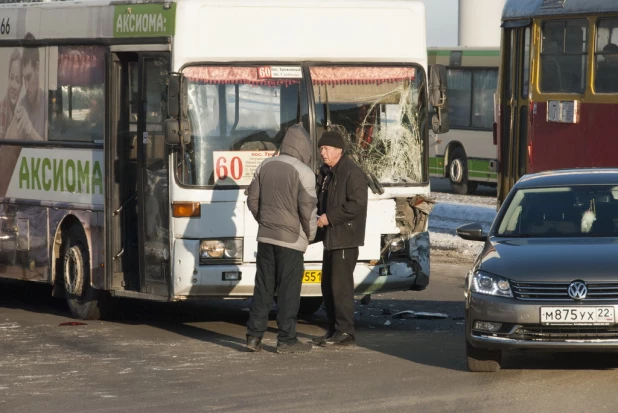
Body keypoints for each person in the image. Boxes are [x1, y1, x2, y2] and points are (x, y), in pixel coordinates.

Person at [245, 124, 317, 354]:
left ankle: (253, 336)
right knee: (288, 290)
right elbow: (308, 211)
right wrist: (311, 235)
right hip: (291, 241)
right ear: (304, 148)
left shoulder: (265, 165)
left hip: (266, 237)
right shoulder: (304, 172)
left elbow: (252, 201)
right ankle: (286, 339)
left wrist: (264, 221)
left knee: (263, 288)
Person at [312, 130, 368, 347]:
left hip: (345, 238)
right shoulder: (328, 173)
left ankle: (345, 331)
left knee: (340, 287)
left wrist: (330, 218)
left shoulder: (351, 172)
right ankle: (334, 329)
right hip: (331, 238)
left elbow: (357, 204)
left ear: (338, 150)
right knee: (327, 286)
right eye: (321, 149)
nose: (322, 153)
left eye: (326, 149)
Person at [0, 49, 22, 140]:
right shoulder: (2, 108)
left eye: (17, 80)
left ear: (22, 85)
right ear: (8, 78)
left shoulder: (20, 110)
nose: (13, 85)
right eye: (11, 78)